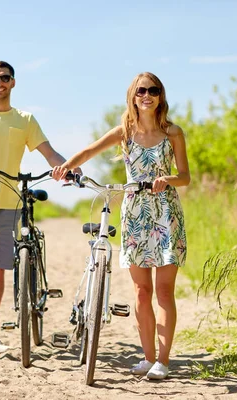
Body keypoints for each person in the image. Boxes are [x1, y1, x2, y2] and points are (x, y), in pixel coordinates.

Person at [52, 72, 189, 380]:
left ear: (160, 96)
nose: (147, 95)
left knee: (164, 291)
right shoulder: (124, 131)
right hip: (134, 213)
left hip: (166, 213)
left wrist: (167, 180)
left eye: (153, 90)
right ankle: (148, 358)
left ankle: (163, 362)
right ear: (133, 95)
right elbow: (89, 151)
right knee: (142, 291)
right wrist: (65, 167)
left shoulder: (173, 132)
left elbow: (185, 176)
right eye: (141, 90)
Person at [0, 60, 80, 361]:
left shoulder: (24, 120)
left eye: (5, 78)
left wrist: (67, 169)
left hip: (8, 207)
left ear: (13, 83)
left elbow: (49, 153)